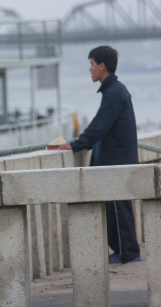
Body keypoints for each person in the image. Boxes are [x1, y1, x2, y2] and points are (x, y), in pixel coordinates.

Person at [58, 46, 141, 264]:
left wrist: (77, 144)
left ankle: (128, 253)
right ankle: (125, 252)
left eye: (92, 64)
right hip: (117, 160)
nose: (90, 69)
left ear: (102, 66)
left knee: (118, 208)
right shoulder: (115, 90)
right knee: (117, 208)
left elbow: (99, 126)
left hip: (116, 162)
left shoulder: (114, 93)